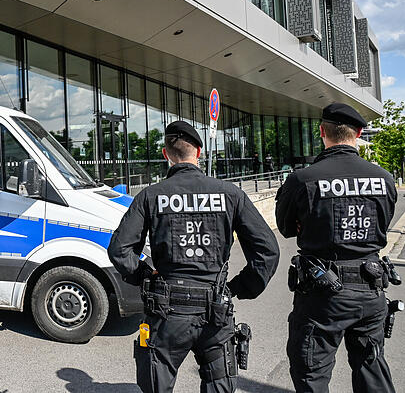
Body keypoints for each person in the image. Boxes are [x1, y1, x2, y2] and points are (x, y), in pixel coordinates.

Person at [108, 121, 280, 393]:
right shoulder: (231, 194)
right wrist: (237, 288)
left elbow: (119, 250)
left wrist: (145, 276)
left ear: (166, 154)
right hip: (215, 312)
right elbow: (267, 251)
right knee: (219, 385)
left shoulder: (152, 195)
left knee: (156, 384)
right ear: (198, 152)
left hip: (167, 311)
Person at [276, 102, 398, 393]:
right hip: (371, 287)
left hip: (322, 295)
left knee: (311, 373)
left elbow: (285, 227)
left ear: (322, 132)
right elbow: (383, 223)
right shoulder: (384, 178)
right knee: (372, 366)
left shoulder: (302, 179)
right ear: (358, 133)